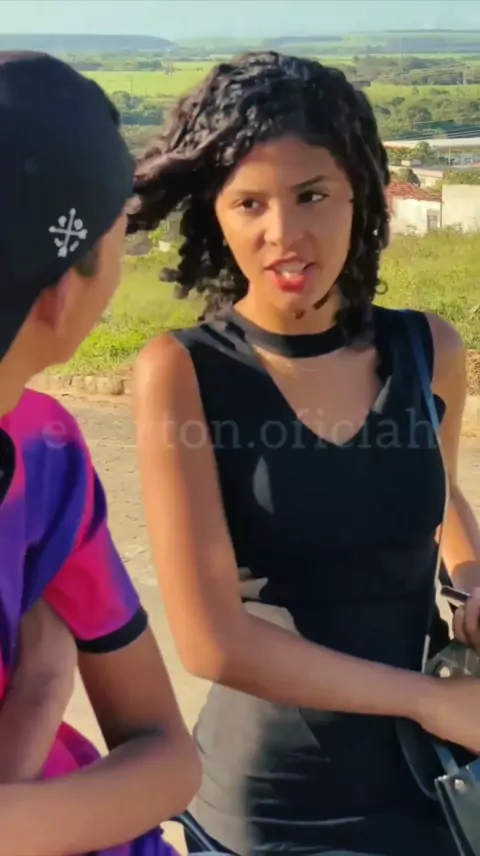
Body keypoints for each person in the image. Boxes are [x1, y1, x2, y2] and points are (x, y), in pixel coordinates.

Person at [129, 50, 480, 856]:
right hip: (268, 810)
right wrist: (424, 698)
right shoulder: (182, 371)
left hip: (430, 783)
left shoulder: (427, 349)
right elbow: (211, 639)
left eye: (312, 195)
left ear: (361, 192)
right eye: (250, 203)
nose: (283, 234)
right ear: (215, 214)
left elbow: (439, 495)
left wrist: (472, 579)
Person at [0, 51, 201, 856]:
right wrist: (40, 691)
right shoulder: (38, 450)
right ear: (63, 293)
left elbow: (170, 759)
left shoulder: (45, 451)